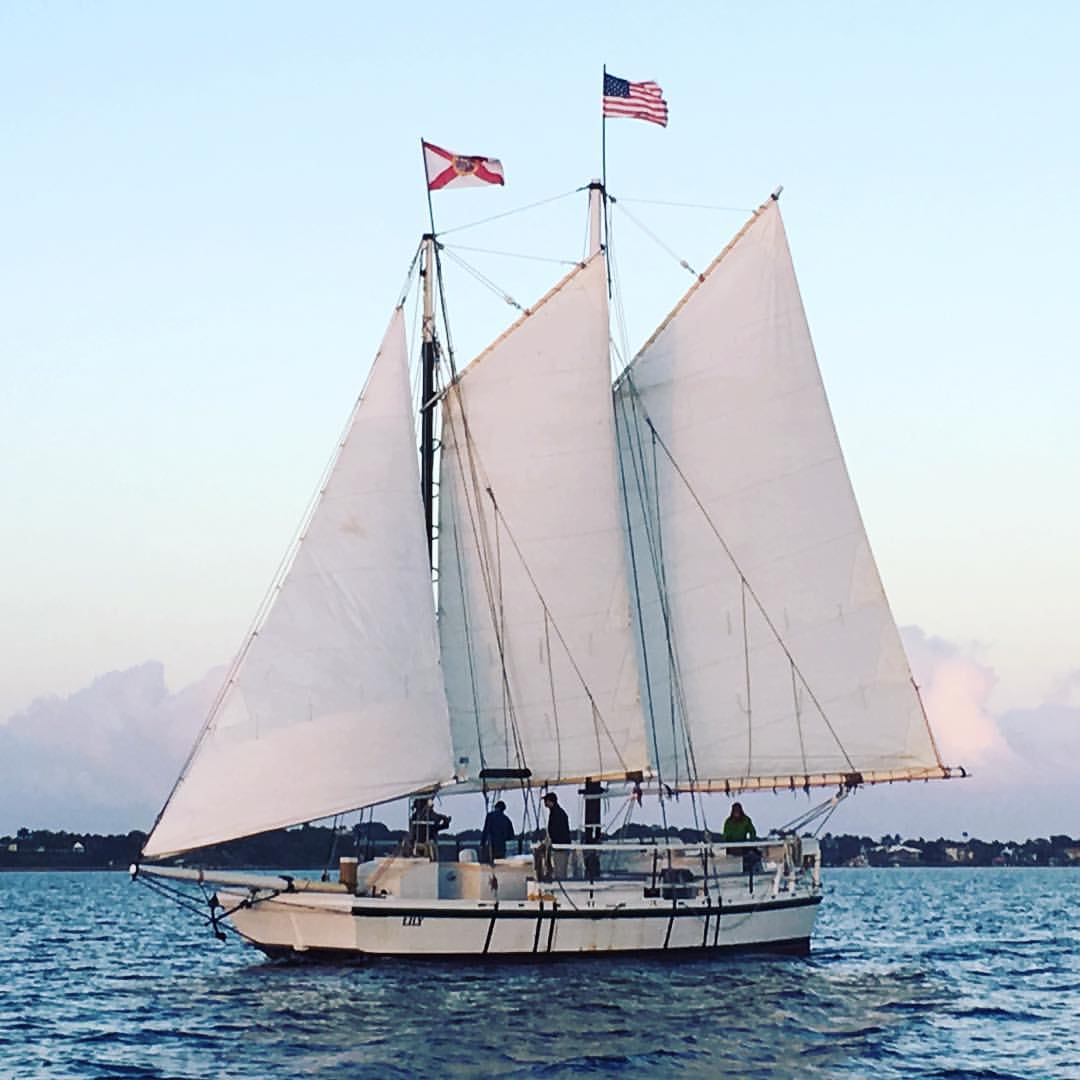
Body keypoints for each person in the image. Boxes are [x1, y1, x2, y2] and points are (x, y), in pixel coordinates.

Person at [539, 792, 572, 882]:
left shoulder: (557, 813)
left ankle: (560, 887)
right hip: (558, 846)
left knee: (560, 871)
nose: (545, 803)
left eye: (546, 801)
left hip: (561, 847)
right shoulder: (556, 812)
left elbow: (557, 830)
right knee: (558, 869)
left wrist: (552, 842)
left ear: (550, 801)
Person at [722, 802, 760, 873]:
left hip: (743, 844)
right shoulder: (728, 822)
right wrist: (729, 843)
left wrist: (752, 842)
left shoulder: (746, 820)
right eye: (735, 811)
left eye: (738, 810)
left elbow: (752, 832)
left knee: (756, 853)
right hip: (732, 846)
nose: (736, 812)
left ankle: (754, 871)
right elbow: (725, 835)